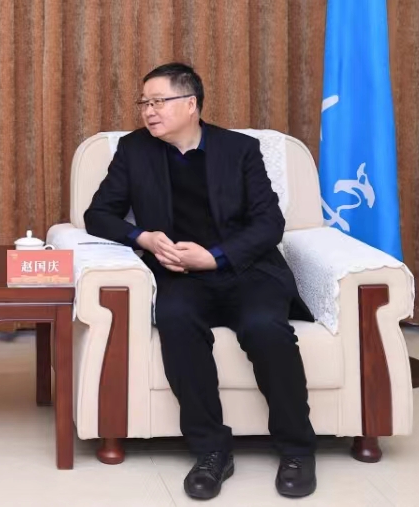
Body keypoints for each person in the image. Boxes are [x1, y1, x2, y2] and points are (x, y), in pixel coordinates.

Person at [85, 63, 317, 500]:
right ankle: (211, 450)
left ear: (190, 104)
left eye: (158, 101)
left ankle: (297, 450)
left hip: (247, 269)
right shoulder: (134, 150)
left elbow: (269, 223)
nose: (148, 111)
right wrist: (143, 238)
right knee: (175, 320)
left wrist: (215, 256)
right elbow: (97, 214)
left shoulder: (239, 150)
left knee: (264, 328)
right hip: (180, 274)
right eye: (144, 103)